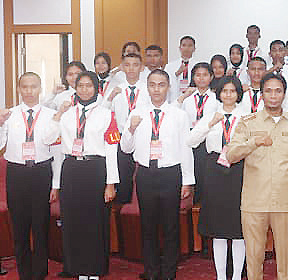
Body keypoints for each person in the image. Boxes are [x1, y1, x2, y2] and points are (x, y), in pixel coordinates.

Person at [225, 73, 288, 280]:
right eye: (268, 91)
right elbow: (231, 155)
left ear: (284, 94)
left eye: (278, 91)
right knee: (254, 258)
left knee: (286, 259)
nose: (273, 96)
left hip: (286, 201)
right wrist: (254, 143)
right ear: (261, 94)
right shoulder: (248, 123)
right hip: (255, 202)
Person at [120, 69, 195, 280]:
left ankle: (169, 272)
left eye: (161, 85)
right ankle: (152, 271)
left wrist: (187, 181)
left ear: (168, 87)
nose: (156, 89)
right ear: (147, 87)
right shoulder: (137, 113)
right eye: (152, 84)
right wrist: (131, 130)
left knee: (171, 227)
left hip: (171, 175)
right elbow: (125, 148)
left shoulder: (179, 115)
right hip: (145, 174)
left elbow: (185, 148)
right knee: (148, 226)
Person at [0, 72, 60, 280]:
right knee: (18, 227)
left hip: (41, 172)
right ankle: (24, 273)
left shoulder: (49, 114)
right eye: (25, 87)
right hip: (16, 173)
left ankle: (39, 273)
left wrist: (56, 183)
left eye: (33, 87)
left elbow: (56, 151)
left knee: (40, 226)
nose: (29, 91)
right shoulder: (8, 114)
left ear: (40, 89)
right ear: (18, 89)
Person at [53, 71, 119, 280]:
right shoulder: (66, 113)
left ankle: (94, 269)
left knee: (95, 221)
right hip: (71, 169)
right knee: (72, 220)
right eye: (80, 85)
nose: (84, 89)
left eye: (89, 85)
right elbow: (53, 143)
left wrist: (111, 183)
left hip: (96, 170)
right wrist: (57, 115)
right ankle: (77, 268)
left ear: (97, 88)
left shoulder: (106, 114)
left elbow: (111, 150)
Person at [188, 76, 250, 280]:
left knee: (238, 228)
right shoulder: (210, 115)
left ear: (238, 94)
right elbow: (191, 141)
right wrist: (209, 124)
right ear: (219, 93)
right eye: (225, 91)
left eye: (233, 91)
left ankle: (236, 276)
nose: (229, 95)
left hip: (239, 170)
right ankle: (222, 276)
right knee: (218, 228)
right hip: (215, 170)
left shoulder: (247, 116)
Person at [106, 53, 151, 204]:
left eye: (135, 64)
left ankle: (141, 205)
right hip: (121, 136)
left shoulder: (148, 89)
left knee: (143, 173)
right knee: (123, 175)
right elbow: (103, 112)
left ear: (142, 67)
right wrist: (110, 97)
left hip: (143, 136)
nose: (131, 68)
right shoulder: (115, 89)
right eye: (127, 65)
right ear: (122, 67)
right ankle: (123, 208)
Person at [176, 62, 219, 202]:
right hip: (189, 139)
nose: (201, 78)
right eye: (198, 75)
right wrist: (182, 97)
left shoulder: (216, 98)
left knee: (204, 176)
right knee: (189, 173)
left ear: (211, 77)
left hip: (207, 141)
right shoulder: (187, 98)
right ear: (193, 77)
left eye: (205, 75)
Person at [164, 36, 201, 100]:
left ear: (194, 49)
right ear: (180, 48)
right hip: (174, 99)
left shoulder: (199, 66)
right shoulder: (169, 67)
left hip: (193, 100)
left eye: (190, 46)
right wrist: (176, 74)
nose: (187, 48)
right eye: (184, 45)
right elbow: (165, 84)